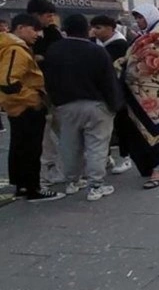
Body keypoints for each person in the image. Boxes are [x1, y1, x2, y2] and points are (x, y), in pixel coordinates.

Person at [44, 15, 123, 201]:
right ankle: (96, 185)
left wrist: (54, 103)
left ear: (65, 29)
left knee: (69, 145)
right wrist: (114, 105)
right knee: (97, 146)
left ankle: (72, 182)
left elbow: (48, 80)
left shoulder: (54, 50)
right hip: (96, 105)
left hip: (65, 106)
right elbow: (108, 81)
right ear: (86, 29)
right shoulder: (96, 51)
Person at [0, 14, 64, 202]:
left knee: (20, 146)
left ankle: (22, 186)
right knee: (30, 148)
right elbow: (8, 82)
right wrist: (34, 99)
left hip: (16, 106)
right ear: (20, 28)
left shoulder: (11, 47)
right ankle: (32, 188)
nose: (37, 34)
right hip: (25, 107)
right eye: (33, 29)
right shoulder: (15, 49)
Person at [118, 4, 159, 190]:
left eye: (141, 17)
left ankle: (156, 171)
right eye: (137, 18)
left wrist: (132, 63)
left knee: (154, 127)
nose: (138, 21)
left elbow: (158, 59)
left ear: (150, 16)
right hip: (144, 88)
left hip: (154, 88)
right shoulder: (146, 36)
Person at [27, 0, 65, 186]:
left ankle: (78, 165)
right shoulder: (23, 37)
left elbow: (60, 56)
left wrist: (44, 57)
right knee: (44, 134)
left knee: (64, 129)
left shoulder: (53, 33)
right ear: (35, 15)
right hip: (34, 93)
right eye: (48, 15)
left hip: (55, 90)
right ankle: (49, 169)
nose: (51, 19)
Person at [90, 15, 133, 175]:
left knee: (121, 124)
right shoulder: (96, 43)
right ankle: (107, 157)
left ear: (111, 28)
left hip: (117, 91)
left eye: (98, 27)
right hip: (102, 93)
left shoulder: (119, 44)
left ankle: (125, 157)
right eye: (94, 27)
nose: (95, 31)